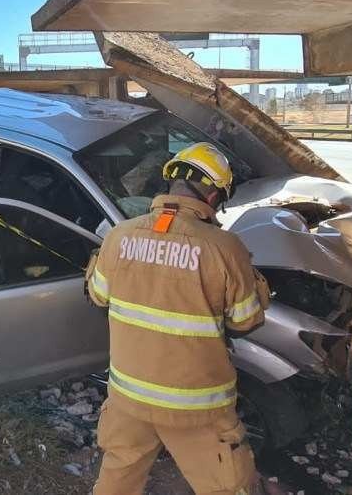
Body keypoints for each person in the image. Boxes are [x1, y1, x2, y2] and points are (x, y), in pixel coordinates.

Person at [86, 142, 271, 495]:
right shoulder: (224, 248)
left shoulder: (118, 236)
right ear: (214, 196)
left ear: (171, 183)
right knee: (228, 487)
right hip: (196, 406)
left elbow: (98, 295)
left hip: (129, 398)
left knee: (118, 478)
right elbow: (246, 321)